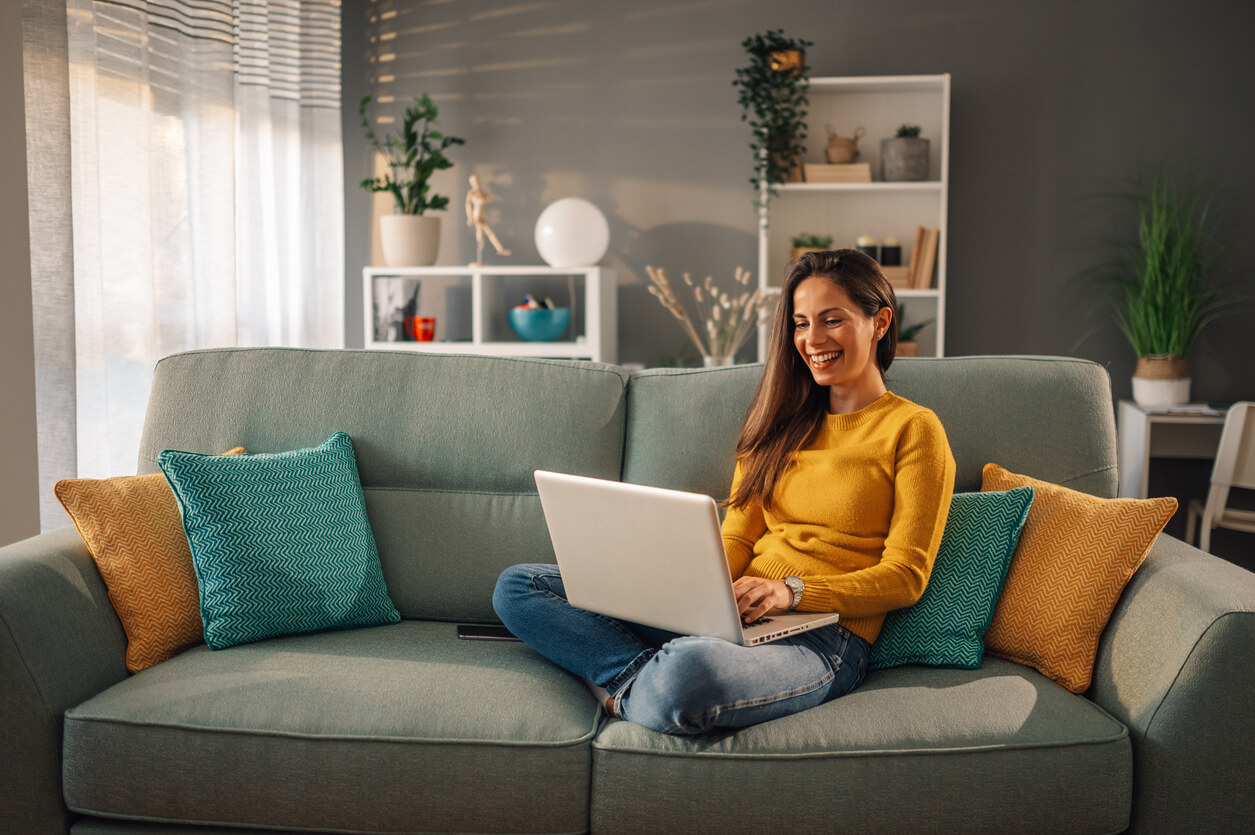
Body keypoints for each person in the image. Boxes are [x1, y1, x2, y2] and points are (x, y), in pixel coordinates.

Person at [493, 249, 955, 735]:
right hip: (732, 614)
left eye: (831, 320)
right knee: (520, 586)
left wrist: (790, 592)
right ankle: (639, 677)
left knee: (689, 672)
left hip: (823, 639)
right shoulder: (778, 425)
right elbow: (737, 537)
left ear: (879, 322)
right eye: (800, 323)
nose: (812, 339)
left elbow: (905, 577)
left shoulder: (913, 429)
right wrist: (688, 597)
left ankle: (623, 686)